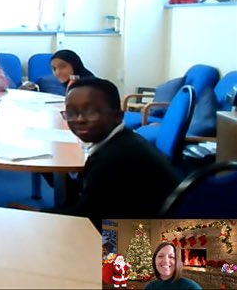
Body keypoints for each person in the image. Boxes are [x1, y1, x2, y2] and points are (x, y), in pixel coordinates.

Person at [52, 77, 179, 225]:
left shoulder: (112, 158)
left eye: (91, 112)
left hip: (158, 241)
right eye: (72, 112)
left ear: (117, 116)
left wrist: (38, 217)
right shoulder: (124, 139)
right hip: (154, 225)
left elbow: (86, 218)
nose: (79, 119)